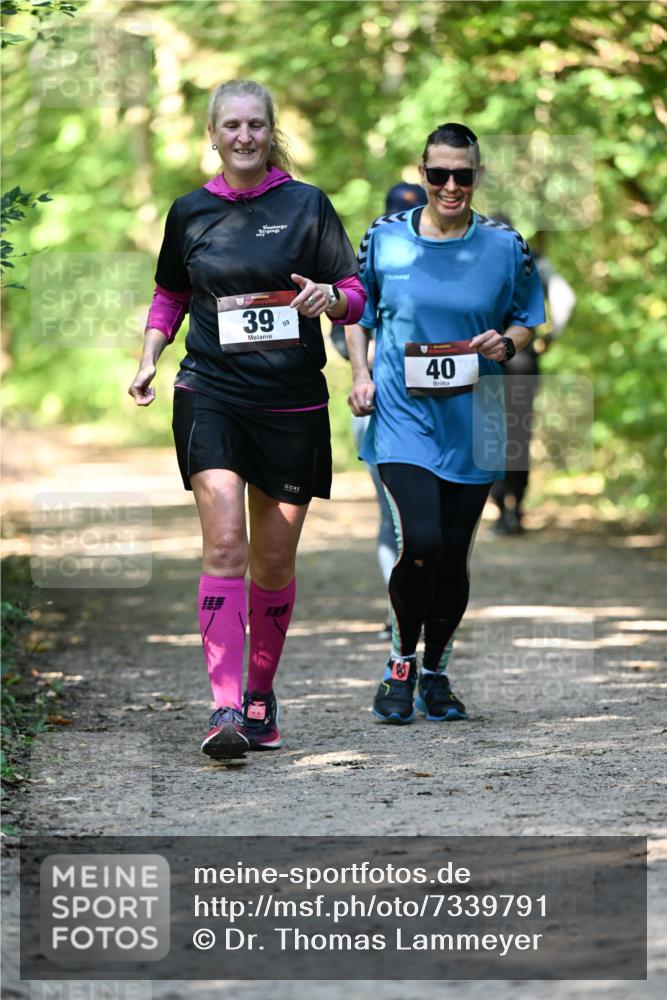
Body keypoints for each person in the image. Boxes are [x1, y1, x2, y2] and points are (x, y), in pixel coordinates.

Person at [128, 80, 365, 759]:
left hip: (290, 402)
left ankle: (260, 694)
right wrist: (149, 355)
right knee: (225, 545)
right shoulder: (189, 212)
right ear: (213, 132)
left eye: (255, 125)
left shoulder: (306, 205)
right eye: (231, 124)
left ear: (270, 131)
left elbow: (352, 291)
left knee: (271, 560)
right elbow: (170, 293)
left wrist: (331, 299)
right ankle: (225, 705)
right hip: (211, 391)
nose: (243, 136)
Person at [346, 123, 545, 724]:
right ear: (423, 173)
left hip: (476, 417)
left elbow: (525, 319)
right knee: (422, 541)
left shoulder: (505, 245)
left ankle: (436, 672)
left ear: (477, 175)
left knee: (454, 555)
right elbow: (356, 309)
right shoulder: (385, 238)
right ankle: (400, 663)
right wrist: (359, 373)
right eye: (439, 175)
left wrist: (505, 346)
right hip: (403, 418)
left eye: (463, 174)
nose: (451, 186)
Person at [330, 182, 427, 639]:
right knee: (393, 515)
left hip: (442, 409)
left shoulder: (449, 262)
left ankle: (421, 601)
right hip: (377, 404)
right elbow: (343, 329)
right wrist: (367, 368)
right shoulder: (372, 259)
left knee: (434, 520)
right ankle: (399, 604)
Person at [488, 213, 576, 535]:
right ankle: (518, 508)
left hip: (488, 358)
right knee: (519, 434)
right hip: (524, 356)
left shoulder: (473, 258)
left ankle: (499, 510)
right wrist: (551, 335)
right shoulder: (533, 260)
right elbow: (566, 299)